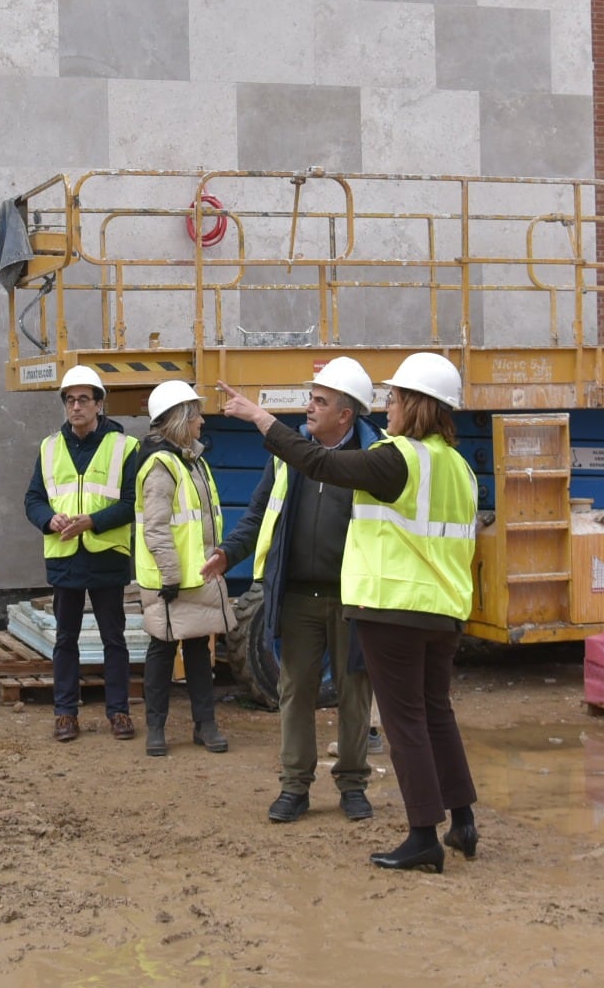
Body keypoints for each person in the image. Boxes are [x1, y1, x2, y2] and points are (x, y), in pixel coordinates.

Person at [216, 354, 480, 872]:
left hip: (394, 609)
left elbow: (321, 464)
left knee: (404, 723)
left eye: (396, 399)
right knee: (436, 717)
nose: (389, 408)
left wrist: (261, 419)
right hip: (443, 609)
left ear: (418, 406)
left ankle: (423, 834)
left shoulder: (396, 458)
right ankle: (463, 820)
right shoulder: (459, 467)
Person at [208, 357, 383, 824]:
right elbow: (258, 513)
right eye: (312, 397)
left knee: (354, 693)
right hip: (298, 597)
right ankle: (294, 787)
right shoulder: (288, 457)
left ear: (346, 415)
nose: (309, 407)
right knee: (295, 691)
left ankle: (352, 784)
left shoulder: (375, 460)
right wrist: (229, 553)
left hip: (354, 598)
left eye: (320, 401)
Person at [20, 365, 139, 743]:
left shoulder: (125, 446)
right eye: (70, 400)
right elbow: (33, 498)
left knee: (113, 639)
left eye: (83, 399)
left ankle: (118, 711)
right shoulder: (49, 446)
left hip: (106, 554)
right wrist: (48, 520)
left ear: (100, 404)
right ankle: (65, 713)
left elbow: (131, 503)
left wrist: (92, 522)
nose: (76, 407)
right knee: (65, 638)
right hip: (65, 555)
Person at [132, 380, 232, 758]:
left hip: (197, 575)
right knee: (161, 652)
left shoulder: (192, 460)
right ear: (180, 419)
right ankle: (156, 729)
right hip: (171, 579)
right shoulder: (162, 465)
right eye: (197, 414)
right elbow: (156, 528)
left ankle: (205, 725)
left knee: (197, 653)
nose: (203, 422)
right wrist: (171, 577)